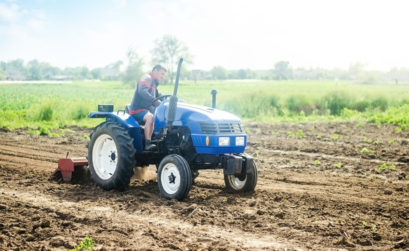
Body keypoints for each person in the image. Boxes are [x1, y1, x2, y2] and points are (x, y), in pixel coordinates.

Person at [129, 65, 167, 150]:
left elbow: (158, 95)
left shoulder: (153, 83)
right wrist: (154, 101)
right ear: (155, 71)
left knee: (161, 118)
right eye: (162, 74)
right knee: (150, 117)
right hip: (137, 110)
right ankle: (148, 143)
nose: (162, 76)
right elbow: (142, 91)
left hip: (145, 110)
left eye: (164, 74)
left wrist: (167, 101)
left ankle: (159, 139)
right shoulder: (147, 78)